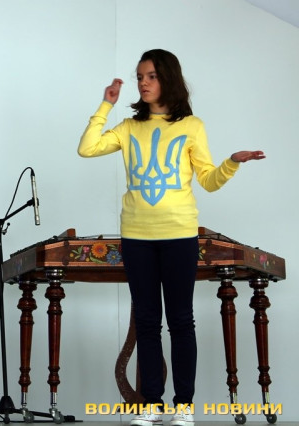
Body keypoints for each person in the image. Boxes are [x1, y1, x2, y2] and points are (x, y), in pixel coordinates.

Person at [77, 49, 264, 426]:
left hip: (179, 234)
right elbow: (87, 148)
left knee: (180, 321)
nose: (143, 83)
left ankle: (184, 406)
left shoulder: (192, 126)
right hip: (136, 235)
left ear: (168, 79)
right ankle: (151, 404)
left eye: (151, 76)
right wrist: (105, 105)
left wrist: (231, 162)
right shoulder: (129, 128)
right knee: (147, 322)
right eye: (139, 77)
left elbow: (208, 181)